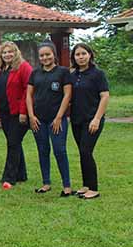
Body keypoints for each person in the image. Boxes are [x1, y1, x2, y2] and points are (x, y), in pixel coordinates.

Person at [26, 41, 73, 196]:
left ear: (54, 55)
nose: (45, 57)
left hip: (56, 120)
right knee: (43, 150)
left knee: (59, 151)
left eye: (48, 54)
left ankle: (67, 186)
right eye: (42, 55)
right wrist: (31, 116)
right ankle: (46, 183)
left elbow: (67, 95)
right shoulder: (35, 73)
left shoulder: (63, 72)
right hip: (39, 120)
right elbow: (28, 95)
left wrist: (59, 117)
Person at [0, 41, 32, 190]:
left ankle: (9, 177)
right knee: (14, 143)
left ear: (16, 52)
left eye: (10, 52)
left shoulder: (24, 67)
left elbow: (28, 91)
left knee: (13, 143)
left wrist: (24, 112)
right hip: (6, 112)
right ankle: (21, 174)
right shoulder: (2, 69)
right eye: (4, 52)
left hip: (19, 114)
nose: (7, 55)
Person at [69, 43, 109, 200]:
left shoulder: (98, 74)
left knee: (86, 151)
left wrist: (97, 118)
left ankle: (93, 188)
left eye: (83, 54)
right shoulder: (73, 76)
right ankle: (86, 185)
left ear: (90, 55)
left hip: (92, 120)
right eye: (77, 54)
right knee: (82, 152)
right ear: (74, 58)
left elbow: (104, 96)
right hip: (76, 120)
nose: (80, 57)